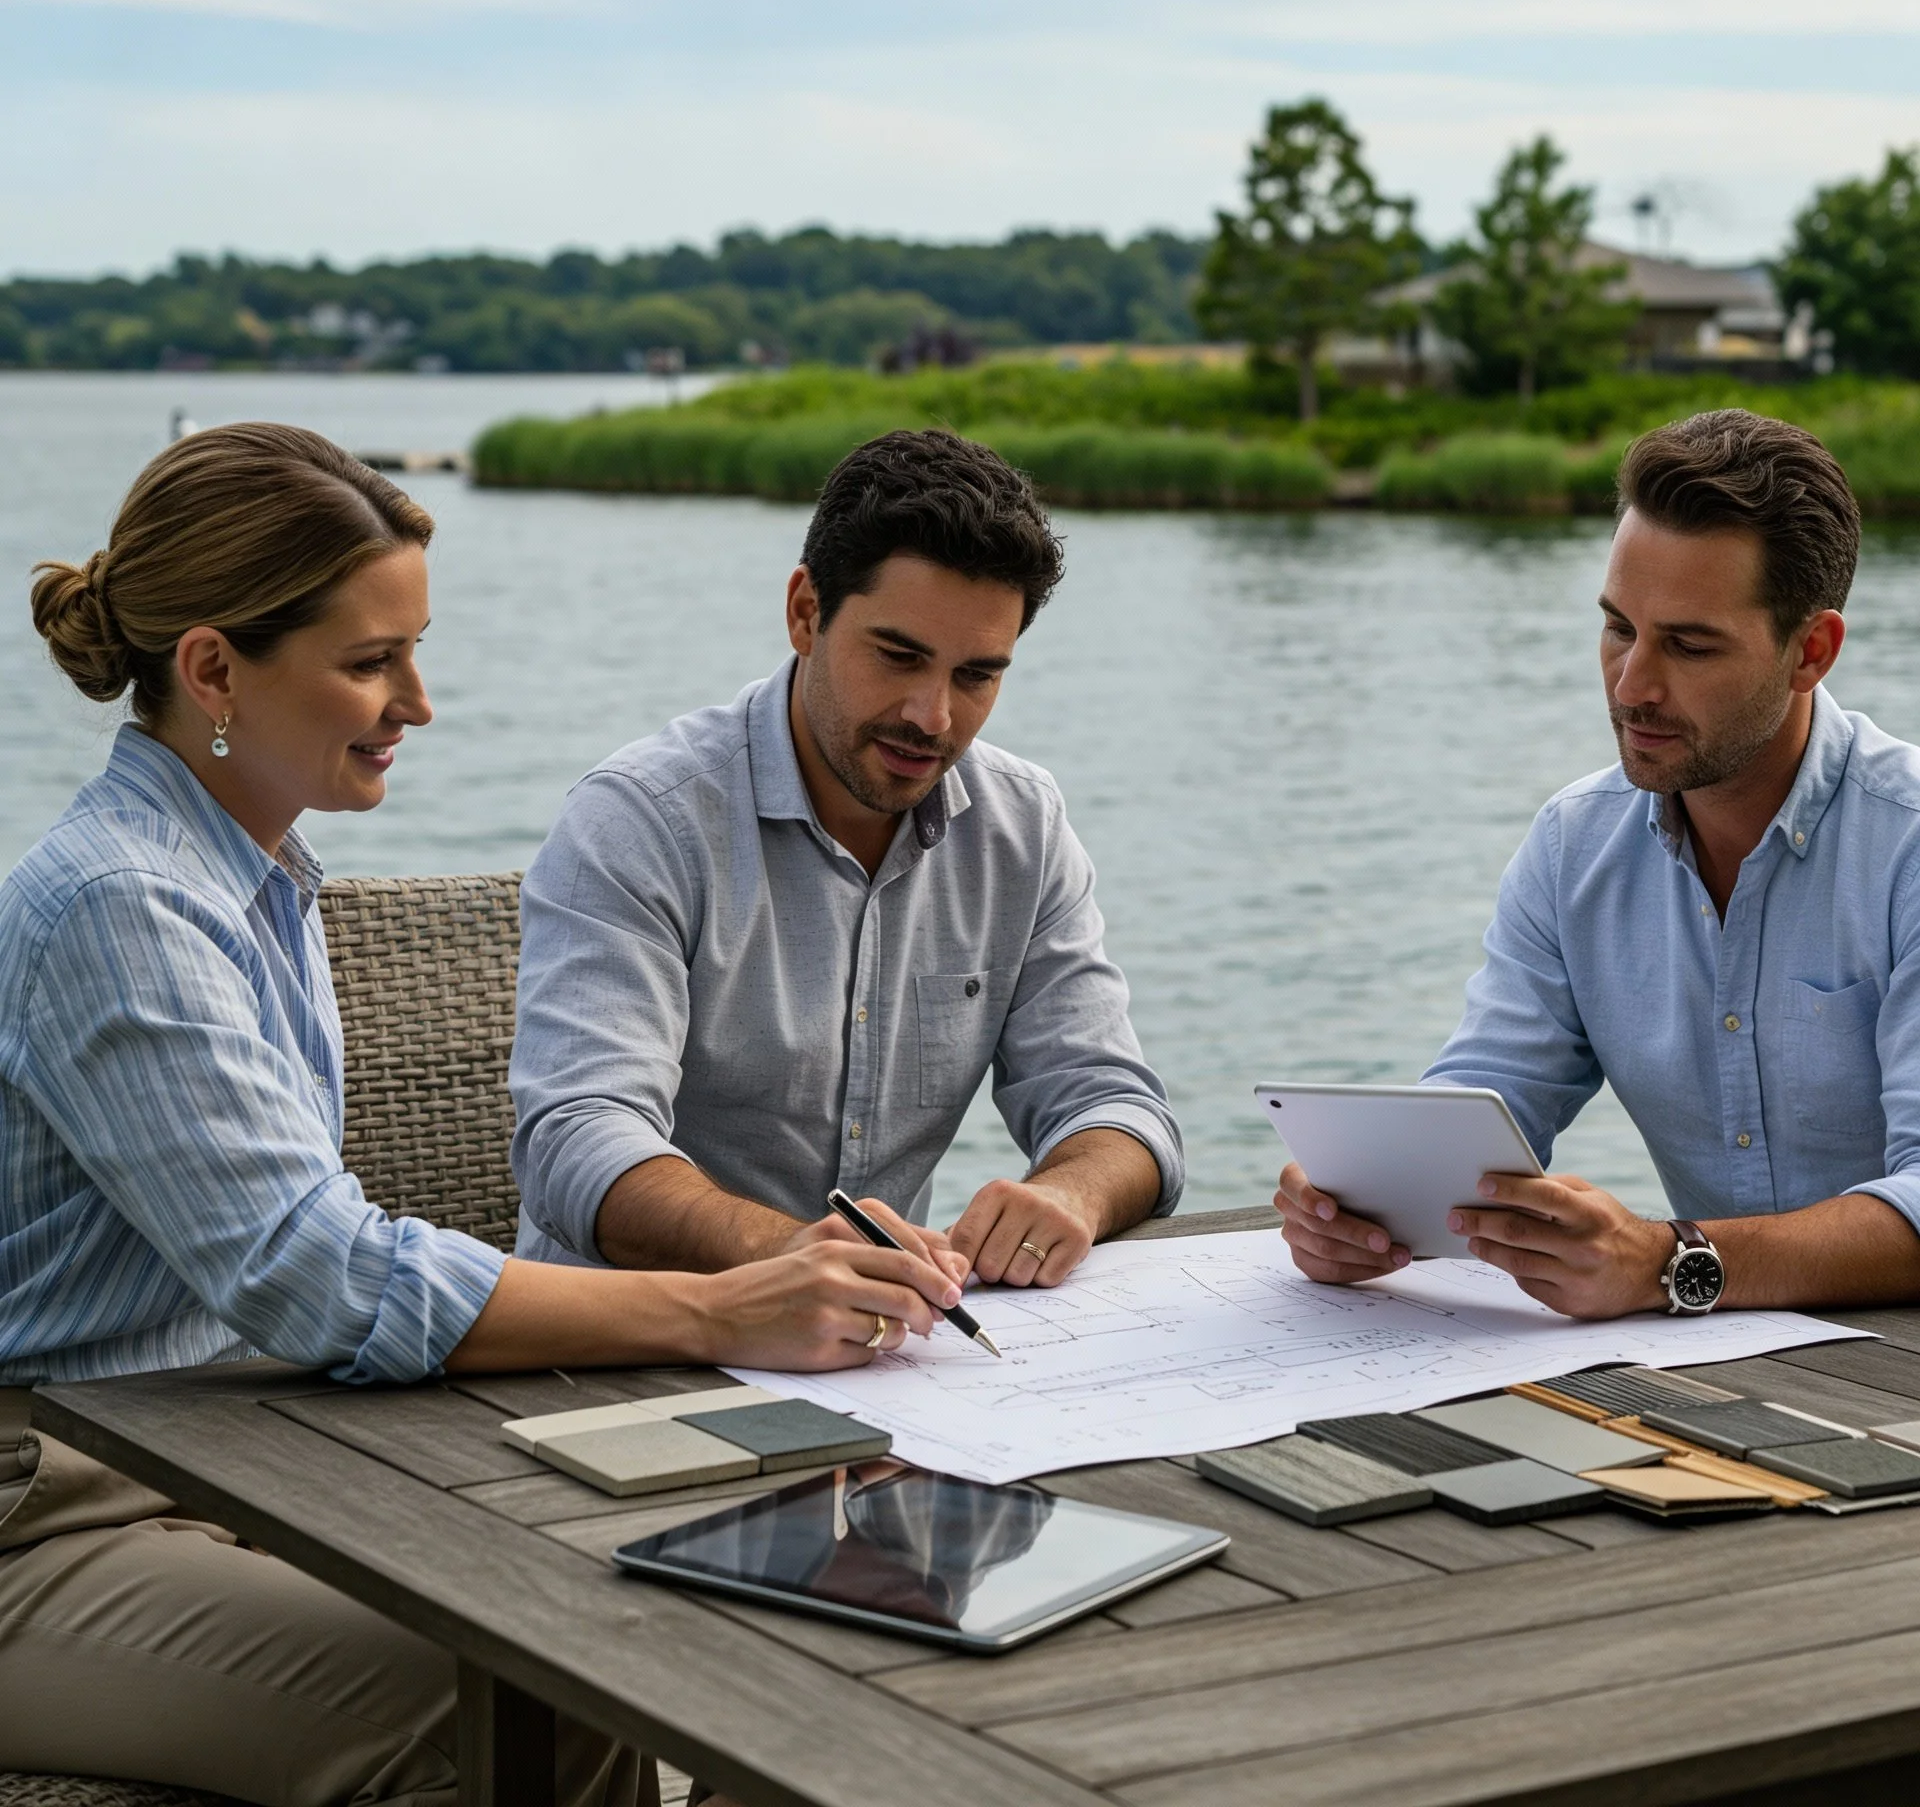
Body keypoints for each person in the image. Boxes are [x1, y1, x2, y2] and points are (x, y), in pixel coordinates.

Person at [0, 423, 963, 1805]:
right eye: (370, 661)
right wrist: (717, 1305)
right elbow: (317, 1274)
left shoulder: (256, 883)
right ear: (213, 669)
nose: (418, 702)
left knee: (740, 1607)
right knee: (539, 1696)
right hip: (43, 1520)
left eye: (417, 650)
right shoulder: (119, 905)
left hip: (224, 1473)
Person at [1275, 408, 1920, 1320]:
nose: (1631, 686)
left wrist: (1669, 1262)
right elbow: (1485, 1101)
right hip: (1727, 1365)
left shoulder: (1908, 846)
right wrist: (1364, 1202)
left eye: (1688, 646)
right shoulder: (1575, 843)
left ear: (1809, 651)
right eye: (1619, 627)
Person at [510, 428, 1182, 1291]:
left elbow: (1116, 1105)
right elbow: (577, 1139)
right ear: (805, 612)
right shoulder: (640, 820)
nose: (932, 716)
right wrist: (787, 1254)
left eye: (976, 675)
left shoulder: (1025, 826)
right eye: (898, 657)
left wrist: (1073, 1195)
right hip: (627, 1347)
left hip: (886, 1347)